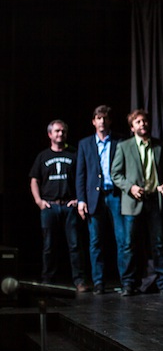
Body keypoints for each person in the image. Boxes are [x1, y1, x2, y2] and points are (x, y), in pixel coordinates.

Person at [110, 109, 163, 297]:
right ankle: (129, 283)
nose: (142, 124)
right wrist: (130, 187)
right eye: (138, 122)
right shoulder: (124, 146)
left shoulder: (160, 146)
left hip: (155, 199)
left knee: (159, 244)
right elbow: (115, 174)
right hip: (133, 200)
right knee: (129, 244)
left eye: (144, 121)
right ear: (132, 127)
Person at [29, 119, 88, 292]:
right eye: (57, 131)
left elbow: (82, 177)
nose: (60, 134)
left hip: (69, 206)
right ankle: (48, 280)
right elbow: (34, 180)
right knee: (49, 246)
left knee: (75, 245)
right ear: (50, 134)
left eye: (63, 131)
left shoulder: (74, 154)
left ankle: (79, 280)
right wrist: (39, 201)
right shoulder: (43, 156)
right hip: (50, 207)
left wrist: (79, 198)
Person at [76, 105, 128, 295]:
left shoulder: (120, 140)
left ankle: (126, 281)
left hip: (115, 195)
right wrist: (81, 200)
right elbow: (80, 174)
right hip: (94, 198)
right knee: (95, 241)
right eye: (98, 118)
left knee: (122, 240)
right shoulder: (85, 144)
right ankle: (98, 281)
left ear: (110, 121)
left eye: (105, 118)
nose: (102, 122)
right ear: (93, 121)